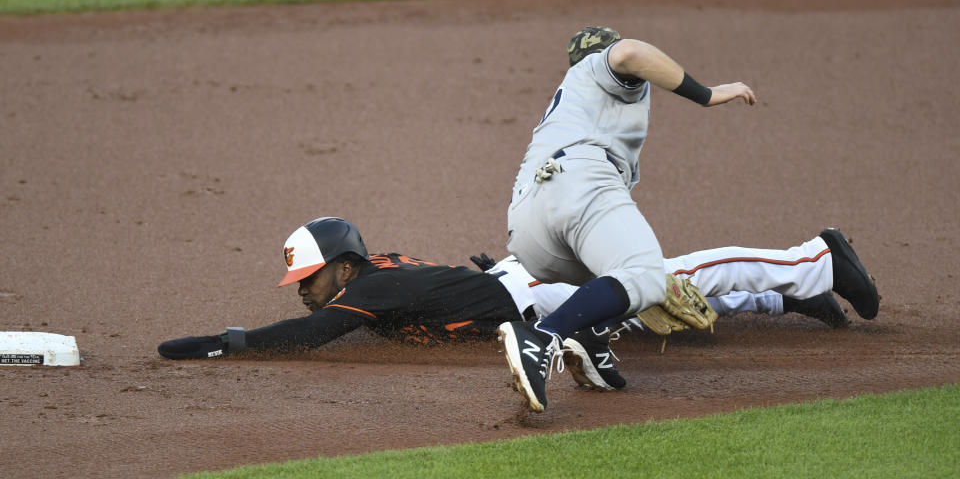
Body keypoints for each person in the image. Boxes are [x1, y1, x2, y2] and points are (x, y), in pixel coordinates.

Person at [497, 27, 879, 412]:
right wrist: (709, 94)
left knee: (619, 278)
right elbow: (629, 53)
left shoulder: (568, 112)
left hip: (529, 230)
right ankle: (542, 336)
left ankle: (591, 337)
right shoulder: (602, 70)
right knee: (644, 275)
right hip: (577, 180)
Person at [158, 217, 877, 392]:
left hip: (537, 297)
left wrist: (230, 342)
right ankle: (793, 299)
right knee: (662, 317)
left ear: (342, 269)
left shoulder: (368, 290)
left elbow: (307, 337)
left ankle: (816, 257)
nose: (307, 291)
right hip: (521, 292)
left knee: (665, 278)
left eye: (310, 280)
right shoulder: (374, 275)